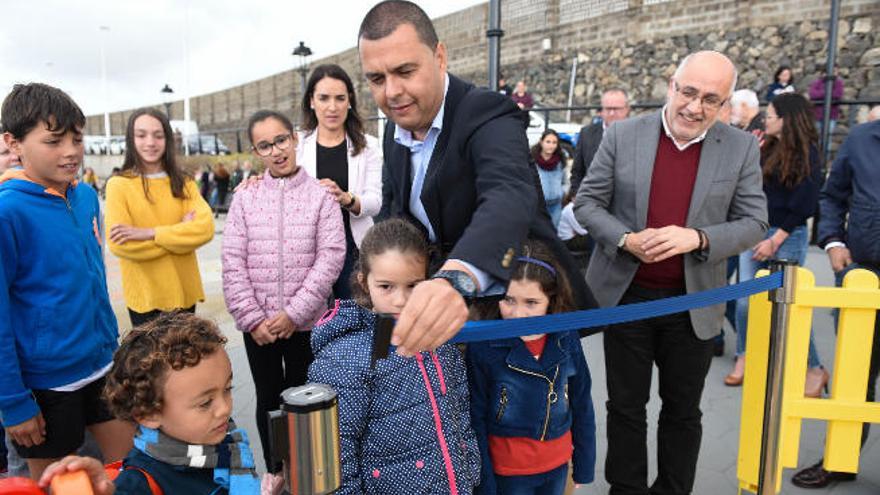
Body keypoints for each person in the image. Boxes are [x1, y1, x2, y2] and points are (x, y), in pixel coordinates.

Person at [574, 51, 768, 493]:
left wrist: (697, 238)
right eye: (689, 92)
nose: (695, 107)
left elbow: (755, 222)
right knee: (625, 407)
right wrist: (626, 239)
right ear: (671, 86)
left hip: (694, 303)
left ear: (724, 106)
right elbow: (587, 203)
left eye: (711, 100)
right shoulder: (623, 134)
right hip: (629, 298)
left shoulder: (739, 147)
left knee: (683, 412)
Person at [360, 0, 595, 356]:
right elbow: (395, 215)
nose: (391, 92)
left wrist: (456, 279)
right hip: (445, 325)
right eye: (377, 79)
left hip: (517, 312)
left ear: (440, 57)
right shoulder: (395, 127)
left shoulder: (486, 112)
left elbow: (508, 194)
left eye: (405, 71)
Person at [0, 83, 133, 480]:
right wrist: (14, 403)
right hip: (45, 386)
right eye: (54, 141)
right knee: (63, 486)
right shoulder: (8, 211)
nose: (71, 151)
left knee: (124, 473)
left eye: (77, 138)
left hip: (102, 365)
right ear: (13, 142)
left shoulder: (87, 196)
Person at [308, 218, 480, 494]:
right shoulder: (347, 358)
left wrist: (471, 472)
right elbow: (337, 451)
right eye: (386, 286)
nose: (400, 300)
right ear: (365, 283)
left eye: (413, 285)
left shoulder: (441, 342)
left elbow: (461, 415)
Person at [37, 313, 282, 495]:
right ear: (149, 414)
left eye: (227, 389)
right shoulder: (142, 482)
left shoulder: (220, 438)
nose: (224, 408)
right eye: (205, 402)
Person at [222, 109, 345, 472]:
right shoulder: (245, 197)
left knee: (304, 397)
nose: (276, 151)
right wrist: (251, 317)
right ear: (256, 152)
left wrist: (295, 313)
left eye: (280, 140)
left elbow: (330, 257)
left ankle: (305, 471)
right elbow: (232, 259)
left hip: (304, 323)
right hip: (258, 326)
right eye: (265, 145)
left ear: (293, 139)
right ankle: (275, 470)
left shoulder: (320, 196)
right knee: (267, 398)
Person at [788, 119, 880, 489]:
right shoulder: (861, 139)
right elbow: (831, 196)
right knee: (854, 376)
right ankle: (840, 460)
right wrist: (832, 240)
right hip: (864, 278)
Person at [467, 240, 596, 495]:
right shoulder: (482, 347)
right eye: (509, 300)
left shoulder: (567, 337)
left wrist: (584, 464)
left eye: (531, 302)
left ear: (551, 299)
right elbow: (475, 419)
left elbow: (582, 402)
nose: (518, 314)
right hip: (508, 473)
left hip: (558, 466)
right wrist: (485, 484)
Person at [726, 94, 826, 394]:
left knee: (789, 304)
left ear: (786, 119)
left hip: (787, 236)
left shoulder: (808, 153)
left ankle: (814, 367)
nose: (765, 119)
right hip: (755, 231)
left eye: (770, 115)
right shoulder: (764, 148)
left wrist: (775, 240)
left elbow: (805, 203)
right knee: (744, 303)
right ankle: (744, 356)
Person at [104, 108, 215, 327]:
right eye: (141, 135)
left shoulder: (184, 182)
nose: (150, 142)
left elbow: (205, 228)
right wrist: (179, 237)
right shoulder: (119, 185)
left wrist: (150, 233)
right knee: (152, 362)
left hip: (184, 293)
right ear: (131, 139)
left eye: (158, 135)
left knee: (188, 361)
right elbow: (122, 246)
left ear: (167, 139)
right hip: (146, 297)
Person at [297, 63, 383, 299]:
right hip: (307, 250)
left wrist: (346, 198)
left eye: (340, 98)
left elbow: (375, 202)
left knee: (354, 317)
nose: (332, 107)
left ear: (350, 101)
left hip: (353, 248)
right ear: (311, 101)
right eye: (324, 98)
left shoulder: (369, 146)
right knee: (313, 321)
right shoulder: (296, 145)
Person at [569, 88, 630, 198]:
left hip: (626, 204)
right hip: (594, 201)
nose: (612, 113)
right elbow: (578, 170)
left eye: (616, 109)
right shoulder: (586, 134)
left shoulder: (638, 134)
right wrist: (576, 197)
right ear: (601, 111)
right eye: (608, 109)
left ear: (627, 109)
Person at [532, 129, 565, 227]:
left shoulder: (560, 161)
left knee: (553, 234)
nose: (551, 145)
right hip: (538, 207)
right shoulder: (532, 161)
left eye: (554, 142)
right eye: (548, 142)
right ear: (541, 142)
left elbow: (565, 182)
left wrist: (561, 192)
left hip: (556, 206)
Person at [808, 67, 844, 137]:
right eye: (833, 71)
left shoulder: (838, 83)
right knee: (816, 137)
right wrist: (827, 93)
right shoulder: (817, 83)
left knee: (827, 137)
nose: (835, 74)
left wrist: (821, 94)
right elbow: (812, 94)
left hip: (831, 115)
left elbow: (838, 94)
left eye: (835, 72)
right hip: (818, 115)